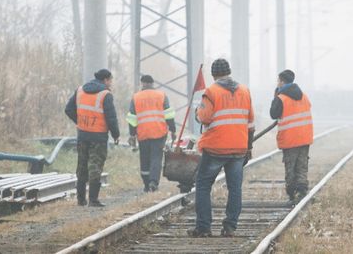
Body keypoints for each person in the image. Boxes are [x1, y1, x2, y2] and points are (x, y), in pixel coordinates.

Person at [187, 58, 255, 238]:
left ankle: (204, 228)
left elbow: (204, 117)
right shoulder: (244, 91)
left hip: (216, 147)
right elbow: (251, 124)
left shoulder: (211, 91)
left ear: (214, 74)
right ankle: (230, 227)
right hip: (239, 148)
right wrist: (248, 148)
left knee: (202, 185)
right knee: (235, 188)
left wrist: (197, 112)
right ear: (229, 71)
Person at [65, 69, 120, 207]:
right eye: (110, 80)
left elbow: (68, 109)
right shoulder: (105, 95)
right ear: (106, 80)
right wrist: (116, 135)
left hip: (83, 134)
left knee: (82, 166)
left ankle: (80, 200)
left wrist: (80, 122)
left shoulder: (80, 90)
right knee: (95, 166)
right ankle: (93, 200)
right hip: (99, 136)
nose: (111, 83)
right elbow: (111, 118)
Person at [269, 69, 313, 206]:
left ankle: (292, 194)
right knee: (302, 166)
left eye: (278, 81)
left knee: (291, 167)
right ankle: (302, 191)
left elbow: (273, 114)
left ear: (282, 81)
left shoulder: (281, 98)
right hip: (304, 137)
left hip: (290, 139)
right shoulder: (304, 96)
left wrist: (276, 96)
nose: (277, 83)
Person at [126, 75, 176, 192]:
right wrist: (173, 130)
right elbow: (168, 115)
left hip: (143, 133)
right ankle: (153, 182)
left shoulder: (136, 97)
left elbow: (132, 118)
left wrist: (132, 134)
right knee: (156, 158)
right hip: (159, 132)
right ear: (153, 83)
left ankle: (146, 183)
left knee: (144, 158)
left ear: (142, 83)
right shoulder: (161, 95)